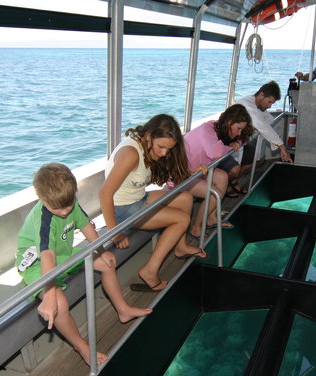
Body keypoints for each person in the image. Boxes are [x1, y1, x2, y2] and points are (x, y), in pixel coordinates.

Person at [16, 163, 152, 366]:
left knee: (106, 264)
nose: (64, 212)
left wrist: (101, 251)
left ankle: (123, 309)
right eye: (57, 208)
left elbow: (85, 225)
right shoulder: (43, 219)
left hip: (62, 254)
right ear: (42, 200)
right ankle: (83, 348)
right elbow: (47, 257)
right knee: (58, 303)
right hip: (36, 263)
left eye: (68, 206)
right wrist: (49, 295)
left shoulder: (69, 202)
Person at [100, 114, 208, 293]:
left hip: (138, 198)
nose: (164, 153)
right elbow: (104, 193)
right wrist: (114, 233)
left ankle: (180, 247)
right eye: (161, 147)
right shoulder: (131, 154)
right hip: (122, 209)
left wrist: (192, 173)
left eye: (168, 149)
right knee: (182, 219)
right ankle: (149, 271)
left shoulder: (146, 146)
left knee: (185, 198)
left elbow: (166, 174)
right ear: (149, 135)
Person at [183, 104, 254, 237]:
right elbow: (214, 153)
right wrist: (230, 147)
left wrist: (234, 143)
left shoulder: (219, 129)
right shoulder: (206, 129)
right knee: (215, 194)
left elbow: (242, 140)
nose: (239, 133)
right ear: (229, 122)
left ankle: (211, 218)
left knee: (222, 177)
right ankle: (196, 228)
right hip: (183, 174)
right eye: (238, 128)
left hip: (199, 170)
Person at [236, 80, 293, 166]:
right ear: (261, 95)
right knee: (254, 162)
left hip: (243, 142)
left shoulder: (256, 104)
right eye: (269, 102)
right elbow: (261, 125)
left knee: (259, 160)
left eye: (272, 103)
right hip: (234, 143)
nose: (270, 106)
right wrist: (282, 147)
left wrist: (259, 126)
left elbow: (269, 119)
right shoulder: (247, 105)